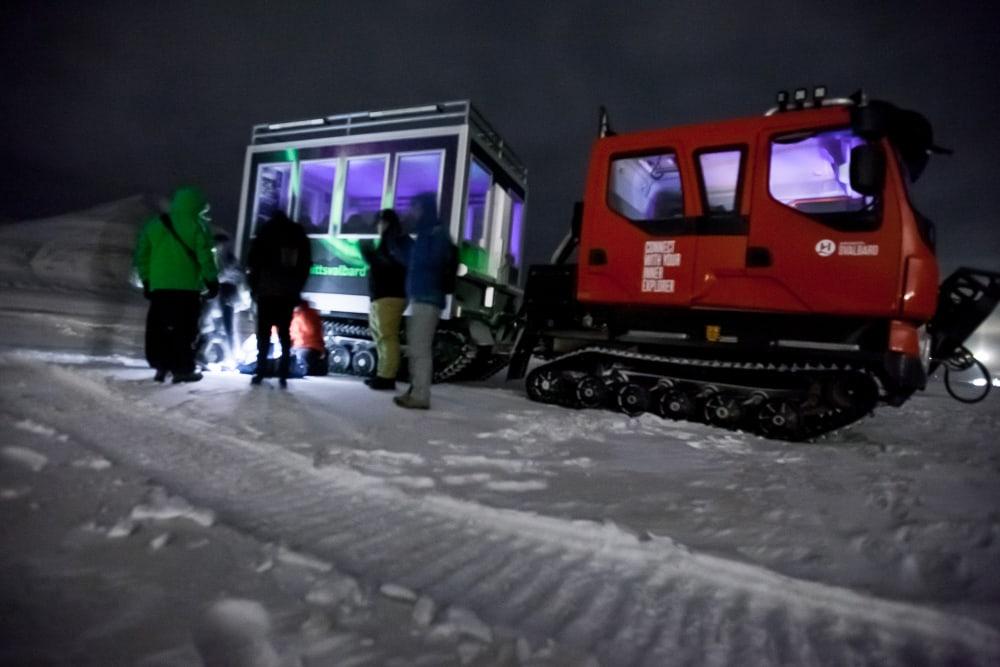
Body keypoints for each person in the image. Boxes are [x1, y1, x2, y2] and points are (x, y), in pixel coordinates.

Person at [134, 186, 219, 384]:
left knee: (159, 328)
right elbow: (205, 258)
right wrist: (211, 281)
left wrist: (147, 280)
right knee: (185, 331)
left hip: (160, 289)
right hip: (187, 290)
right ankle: (182, 369)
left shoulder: (154, 225)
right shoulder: (198, 226)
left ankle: (161, 366)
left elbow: (142, 255)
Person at [392, 193, 457, 409]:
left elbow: (429, 262)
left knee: (420, 348)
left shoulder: (435, 233)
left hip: (428, 297)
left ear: (424, 208)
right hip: (422, 295)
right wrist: (398, 243)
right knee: (416, 348)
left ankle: (420, 396)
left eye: (415, 207)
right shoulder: (427, 232)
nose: (412, 211)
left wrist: (404, 238)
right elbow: (415, 262)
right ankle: (415, 390)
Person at [246, 211, 312, 387]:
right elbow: (305, 263)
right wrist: (297, 288)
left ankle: (260, 371)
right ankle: (283, 373)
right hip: (287, 292)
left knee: (264, 334)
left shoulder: (265, 231)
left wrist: (253, 288)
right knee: (284, 334)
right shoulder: (296, 233)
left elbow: (252, 262)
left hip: (266, 290)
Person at [359, 209, 411, 390]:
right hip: (384, 295)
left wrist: (368, 254)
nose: (377, 227)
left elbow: (385, 265)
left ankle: (386, 377)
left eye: (379, 223)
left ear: (386, 223)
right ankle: (382, 374)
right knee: (381, 336)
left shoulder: (394, 241)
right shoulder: (392, 241)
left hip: (389, 295)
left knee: (386, 337)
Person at [290, 300, 327, 375]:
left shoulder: (302, 315)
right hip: (311, 346)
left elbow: (308, 332)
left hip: (307, 346)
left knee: (298, 358)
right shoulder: (310, 313)